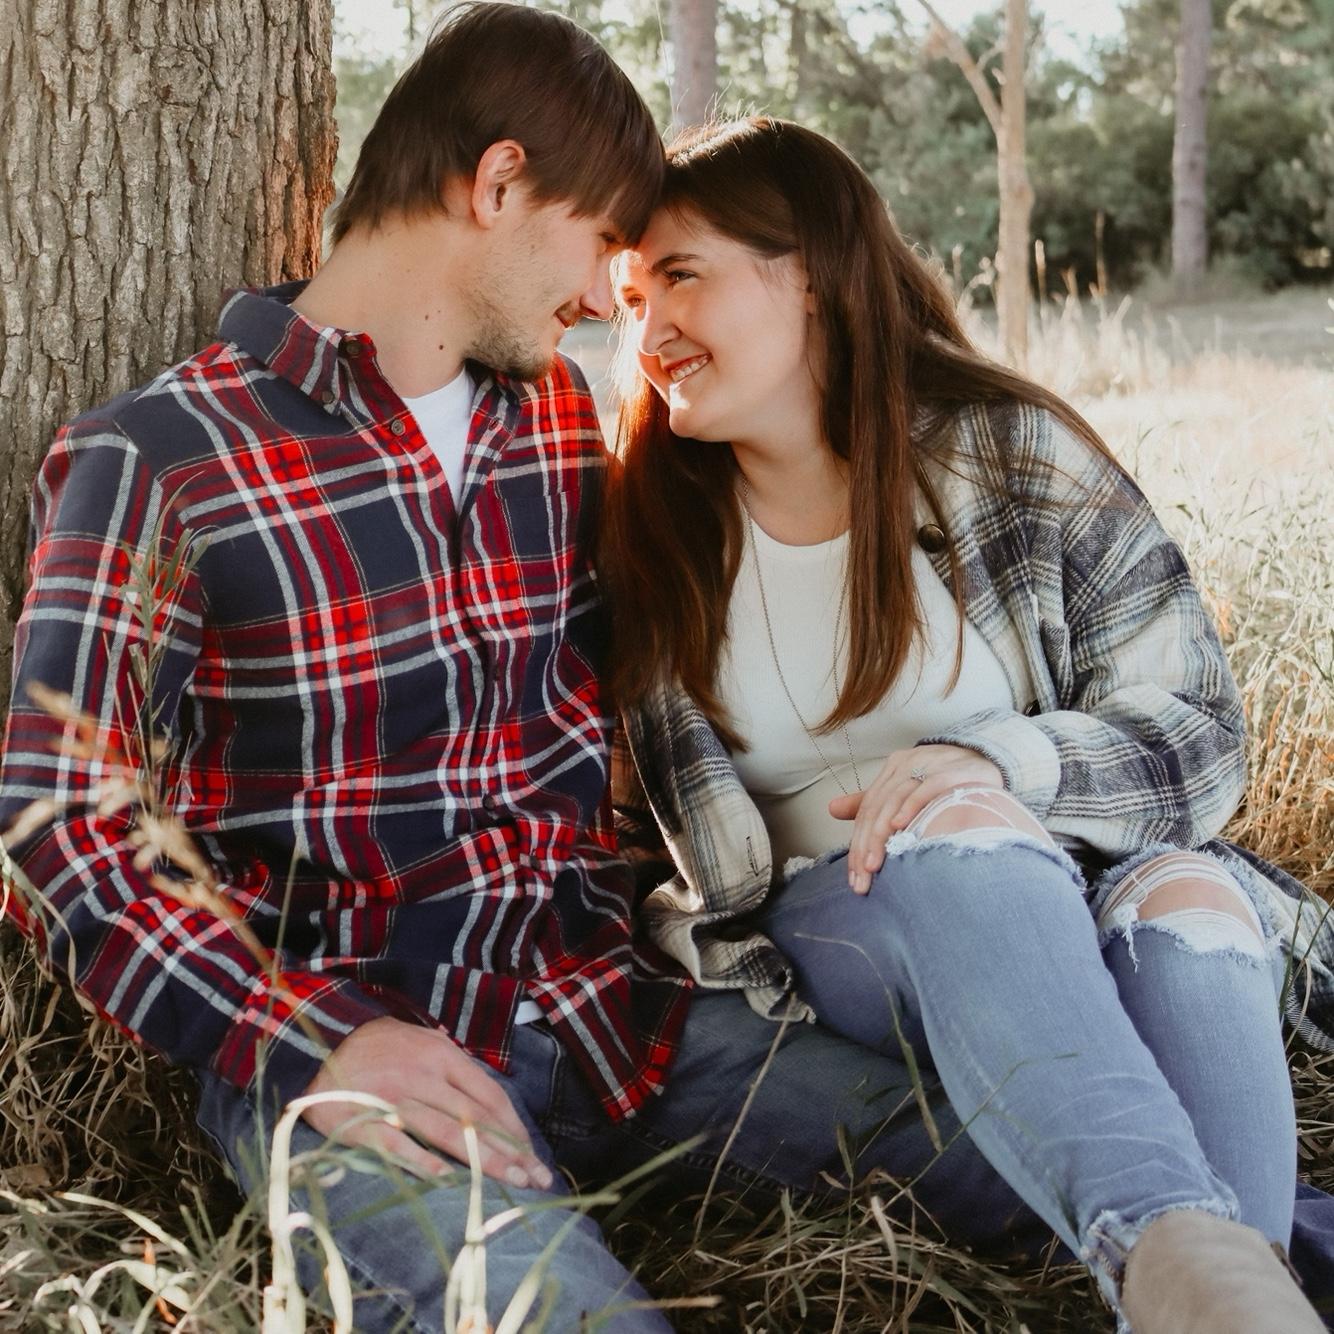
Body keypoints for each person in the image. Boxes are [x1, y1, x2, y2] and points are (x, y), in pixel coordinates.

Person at [2, 10, 1137, 1332]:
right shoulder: (159, 461)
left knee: (1047, 1157)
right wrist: (308, 1036)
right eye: (602, 243)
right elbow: (55, 825)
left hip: (617, 1014)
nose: (609, 300)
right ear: (497, 184)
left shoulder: (546, 417)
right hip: (372, 1055)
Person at [602, 116, 1334, 1333]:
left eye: (679, 275)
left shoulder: (1005, 454)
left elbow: (1199, 730)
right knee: (953, 828)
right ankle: (1179, 1252)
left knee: (1191, 896)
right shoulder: (648, 528)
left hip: (1074, 867)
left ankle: (1228, 1293)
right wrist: (952, 795)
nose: (648, 331)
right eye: (629, 299)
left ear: (812, 273)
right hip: (845, 925)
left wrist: (996, 759)